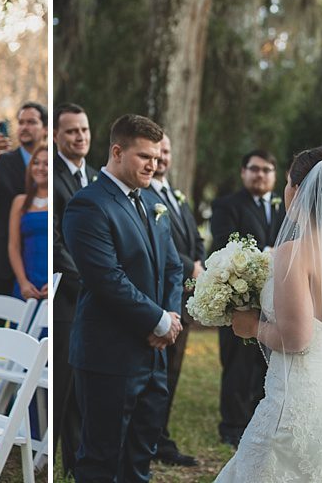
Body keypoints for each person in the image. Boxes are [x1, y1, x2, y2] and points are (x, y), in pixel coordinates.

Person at [217, 146, 322, 482]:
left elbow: (296, 339)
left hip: (296, 405)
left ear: (298, 190)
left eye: (286, 182)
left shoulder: (292, 254)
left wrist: (252, 325)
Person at [62, 114, 183, 483]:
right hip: (109, 355)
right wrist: (157, 321)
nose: (155, 163)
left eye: (157, 156)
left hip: (154, 354)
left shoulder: (151, 202)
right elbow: (106, 279)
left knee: (139, 458)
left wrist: (171, 317)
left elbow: (174, 268)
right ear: (117, 151)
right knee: (101, 460)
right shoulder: (89, 206)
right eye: (145, 156)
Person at [0, 100, 47, 406]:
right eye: (21, 122)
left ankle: (21, 406)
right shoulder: (4, 159)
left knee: (27, 339)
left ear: (43, 128)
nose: (25, 127)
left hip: (35, 265)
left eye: (32, 121)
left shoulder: (48, 162)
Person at [209, 149, 285, 447]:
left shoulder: (284, 209)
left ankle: (258, 421)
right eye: (254, 169)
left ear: (274, 175)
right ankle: (231, 425)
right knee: (237, 364)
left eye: (267, 170)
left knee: (264, 364)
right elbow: (223, 243)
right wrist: (268, 256)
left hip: (276, 300)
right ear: (243, 172)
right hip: (238, 299)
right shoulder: (226, 205)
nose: (260, 175)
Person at [148, 134, 203, 467]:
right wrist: (190, 266)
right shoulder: (143, 194)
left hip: (185, 295)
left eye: (167, 151)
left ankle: (161, 436)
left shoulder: (177, 195)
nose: (163, 157)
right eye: (158, 152)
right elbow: (158, 242)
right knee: (157, 370)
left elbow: (194, 237)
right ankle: (151, 437)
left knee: (174, 371)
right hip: (161, 295)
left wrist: (199, 265)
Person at [51, 102, 96, 472]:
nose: (79, 136)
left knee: (83, 382)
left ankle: (74, 462)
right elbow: (56, 244)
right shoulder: (53, 179)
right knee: (62, 381)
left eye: (83, 129)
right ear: (56, 136)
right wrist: (89, 282)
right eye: (71, 131)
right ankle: (49, 459)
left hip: (95, 298)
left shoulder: (95, 177)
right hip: (67, 296)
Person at [8, 143, 49, 301]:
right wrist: (23, 282)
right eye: (36, 162)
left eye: (46, 164)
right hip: (26, 283)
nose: (40, 168)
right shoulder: (20, 202)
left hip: (52, 285)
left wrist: (54, 283)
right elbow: (14, 246)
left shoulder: (60, 201)